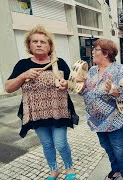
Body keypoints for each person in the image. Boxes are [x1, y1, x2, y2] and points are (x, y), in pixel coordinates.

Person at [5, 25, 78, 180]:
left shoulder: (59, 62)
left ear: (49, 46)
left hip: (59, 111)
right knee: (46, 144)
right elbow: (8, 88)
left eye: (43, 42)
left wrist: (68, 84)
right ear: (29, 45)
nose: (39, 44)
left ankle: (69, 168)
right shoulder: (23, 65)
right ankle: (54, 170)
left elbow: (74, 84)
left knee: (60, 143)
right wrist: (23, 76)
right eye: (35, 41)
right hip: (36, 114)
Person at [77, 39, 123, 180]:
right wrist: (81, 85)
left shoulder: (120, 70)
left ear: (105, 53)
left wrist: (113, 90)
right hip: (98, 120)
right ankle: (116, 170)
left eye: (95, 49)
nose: (92, 52)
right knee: (108, 148)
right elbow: (85, 92)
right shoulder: (92, 70)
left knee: (120, 151)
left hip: (118, 121)